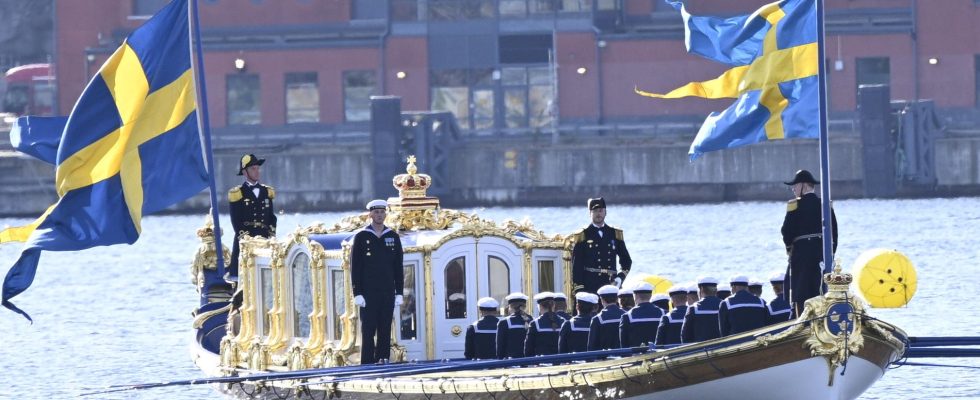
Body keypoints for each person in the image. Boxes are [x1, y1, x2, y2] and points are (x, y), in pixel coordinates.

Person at [350, 199, 404, 365]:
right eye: (376, 212)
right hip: (368, 292)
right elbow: (356, 267)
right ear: (370, 214)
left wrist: (399, 292)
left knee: (385, 327)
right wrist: (357, 292)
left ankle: (383, 359)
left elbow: (398, 267)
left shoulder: (393, 237)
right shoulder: (361, 236)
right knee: (368, 329)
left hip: (387, 291)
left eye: (382, 212)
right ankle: (366, 362)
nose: (379, 215)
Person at [781, 169, 838, 316]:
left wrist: (790, 248)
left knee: (800, 292)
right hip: (822, 254)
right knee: (821, 289)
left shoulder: (795, 206)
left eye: (795, 185)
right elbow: (834, 234)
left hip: (801, 255)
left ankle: (802, 320)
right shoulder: (825, 205)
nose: (793, 189)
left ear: (804, 186)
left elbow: (786, 231)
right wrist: (830, 253)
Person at [228, 153, 277, 278]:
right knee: (240, 275)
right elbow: (235, 221)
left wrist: (271, 235)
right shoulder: (238, 193)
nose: (256, 171)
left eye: (257, 168)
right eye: (252, 169)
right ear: (245, 172)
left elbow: (271, 217)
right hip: (245, 240)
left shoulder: (267, 191)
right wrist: (246, 240)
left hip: (264, 239)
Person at [571, 198, 632, 294]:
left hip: (611, 284)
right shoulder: (583, 235)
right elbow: (577, 266)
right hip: (590, 286)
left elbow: (626, 260)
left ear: (605, 212)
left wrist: (620, 277)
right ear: (590, 213)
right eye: (595, 211)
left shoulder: (614, 233)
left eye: (601, 211)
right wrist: (580, 289)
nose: (598, 214)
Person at [619, 282, 663, 347]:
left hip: (636, 356)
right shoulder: (663, 313)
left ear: (635, 296)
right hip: (660, 355)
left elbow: (623, 345)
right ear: (650, 296)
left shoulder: (627, 316)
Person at [681, 276, 722, 343]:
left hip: (701, 350)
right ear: (716, 290)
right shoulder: (724, 304)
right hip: (722, 348)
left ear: (701, 289)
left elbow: (685, 335)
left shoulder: (693, 308)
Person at [524, 292, 565, 357]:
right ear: (554, 305)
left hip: (541, 364)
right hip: (559, 364)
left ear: (540, 307)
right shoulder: (564, 322)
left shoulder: (534, 324)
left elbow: (528, 350)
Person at [587, 285, 625, 350]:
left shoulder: (597, 319)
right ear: (617, 299)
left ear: (602, 300)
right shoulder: (626, 315)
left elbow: (591, 347)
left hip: (605, 358)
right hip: (625, 357)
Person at [496, 292, 531, 359]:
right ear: (525, 307)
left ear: (510, 307)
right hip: (530, 363)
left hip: (511, 364)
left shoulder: (504, 322)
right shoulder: (532, 320)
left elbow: (500, 348)